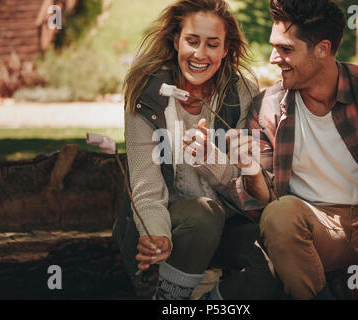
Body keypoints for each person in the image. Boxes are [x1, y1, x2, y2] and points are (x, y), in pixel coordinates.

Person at [229, 0, 358, 300]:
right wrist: (250, 171)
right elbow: (265, 204)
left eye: (285, 49)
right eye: (274, 47)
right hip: (316, 234)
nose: (274, 58)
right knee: (279, 214)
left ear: (322, 49)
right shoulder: (267, 107)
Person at [112, 0, 282, 300]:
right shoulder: (147, 94)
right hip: (171, 221)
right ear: (176, 40)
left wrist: (212, 162)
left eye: (212, 44)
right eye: (192, 41)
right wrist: (157, 237)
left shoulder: (240, 93)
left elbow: (247, 190)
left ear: (225, 49)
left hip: (228, 223)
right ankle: (168, 301)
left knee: (277, 258)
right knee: (204, 215)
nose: (200, 54)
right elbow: (145, 189)